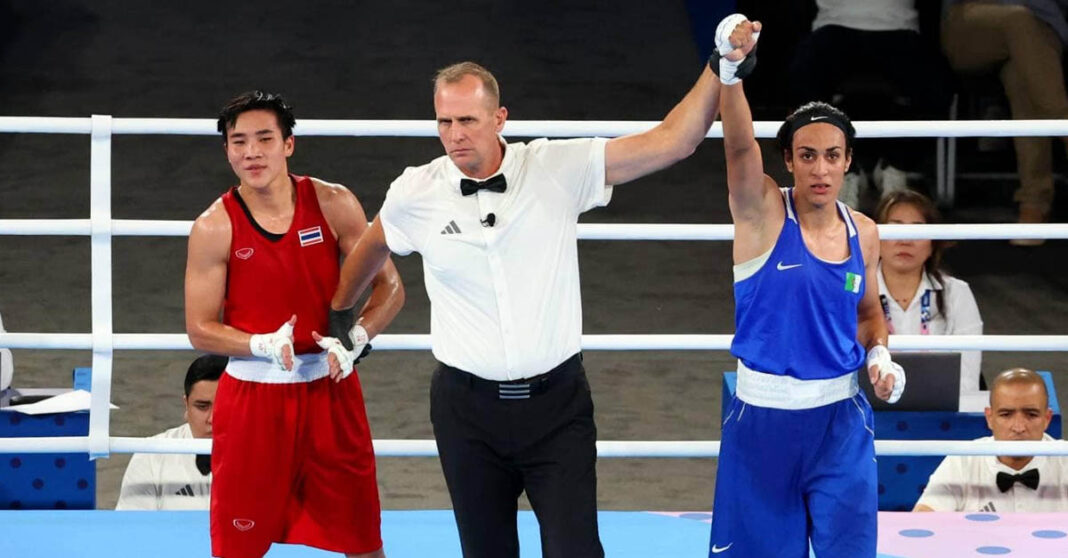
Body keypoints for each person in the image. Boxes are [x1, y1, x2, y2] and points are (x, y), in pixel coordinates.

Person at [326, 46, 732, 557]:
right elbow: (374, 242)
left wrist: (720, 67)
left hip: (556, 410)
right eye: (444, 121)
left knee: (575, 551)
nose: (455, 134)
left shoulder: (556, 167)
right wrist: (341, 312)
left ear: (500, 118)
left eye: (468, 120)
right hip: (465, 412)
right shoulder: (417, 191)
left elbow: (675, 141)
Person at [708, 14, 906, 558]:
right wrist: (731, 70)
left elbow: (868, 315)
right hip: (763, 424)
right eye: (808, 155)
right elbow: (739, 149)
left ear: (848, 162)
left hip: (841, 423)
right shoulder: (763, 214)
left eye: (832, 156)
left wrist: (881, 358)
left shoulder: (863, 233)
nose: (820, 169)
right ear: (789, 160)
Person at [184, 91, 404, 558]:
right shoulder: (214, 227)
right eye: (238, 141)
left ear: (288, 144)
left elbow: (391, 288)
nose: (251, 152)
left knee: (362, 539)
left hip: (331, 390)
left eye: (264, 138)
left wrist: (356, 338)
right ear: (226, 150)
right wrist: (260, 344)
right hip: (252, 402)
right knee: (238, 547)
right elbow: (200, 328)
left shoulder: (333, 203)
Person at [787, 0, 952, 207]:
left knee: (938, 83)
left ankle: (896, 166)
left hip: (899, 28)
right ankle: (844, 170)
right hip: (834, 27)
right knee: (802, 76)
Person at [943, 0, 1068, 240]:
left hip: (1042, 27)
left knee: (1023, 74)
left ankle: (1033, 206)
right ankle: (1065, 127)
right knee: (1018, 21)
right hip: (970, 21)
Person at [914, 368, 1068, 512]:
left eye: (1031, 414)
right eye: (1006, 414)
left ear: (1047, 419)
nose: (1019, 427)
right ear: (990, 418)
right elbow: (922, 521)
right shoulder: (963, 460)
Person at [875, 190, 984, 392]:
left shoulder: (957, 293)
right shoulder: (855, 292)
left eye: (917, 230)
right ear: (876, 238)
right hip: (871, 414)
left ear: (932, 244)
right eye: (895, 228)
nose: (905, 240)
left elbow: (968, 380)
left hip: (940, 416)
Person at [115, 354, 225, 510]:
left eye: (224, 406)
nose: (213, 419)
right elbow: (131, 530)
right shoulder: (150, 456)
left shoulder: (268, 456)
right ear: (186, 405)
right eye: (202, 406)